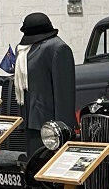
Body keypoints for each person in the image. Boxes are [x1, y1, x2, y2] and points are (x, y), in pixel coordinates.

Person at [14, 12, 76, 155]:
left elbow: (64, 93)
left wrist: (63, 129)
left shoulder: (57, 48)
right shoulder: (24, 50)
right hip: (29, 121)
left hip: (48, 123)